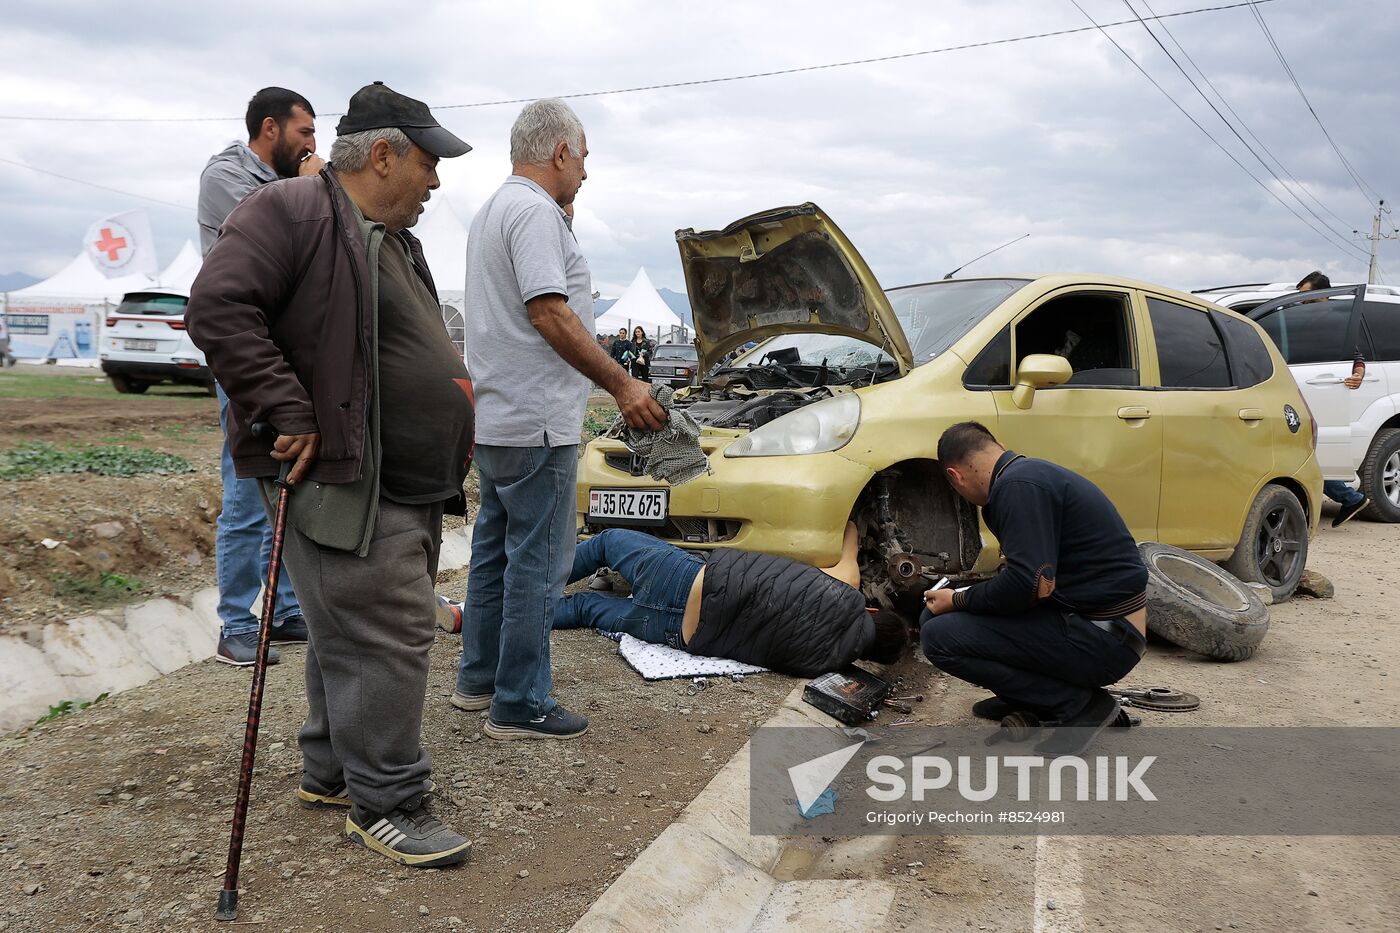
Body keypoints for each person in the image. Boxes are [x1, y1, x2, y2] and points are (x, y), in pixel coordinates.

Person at [188, 81, 475, 868]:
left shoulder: (388, 234)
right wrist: (289, 407)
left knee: (344, 631)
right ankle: (387, 799)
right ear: (382, 154)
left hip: (400, 479)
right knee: (387, 634)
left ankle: (331, 770)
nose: (436, 180)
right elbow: (216, 306)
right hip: (347, 474)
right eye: (427, 162)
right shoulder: (292, 210)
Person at [454, 98, 666, 740]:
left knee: (494, 553)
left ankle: (479, 677)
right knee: (539, 563)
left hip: (499, 417)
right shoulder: (534, 212)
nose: (585, 174)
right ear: (560, 152)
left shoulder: (497, 208)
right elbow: (549, 312)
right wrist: (623, 382)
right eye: (584, 158)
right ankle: (520, 701)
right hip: (537, 421)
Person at [920, 422, 1147, 755]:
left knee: (938, 637)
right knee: (933, 619)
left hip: (1104, 638)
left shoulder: (1018, 488)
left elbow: (1028, 586)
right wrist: (961, 600)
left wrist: (958, 599)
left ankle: (1081, 706)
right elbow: (1035, 581)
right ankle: (1033, 699)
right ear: (998, 445)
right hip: (1098, 625)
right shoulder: (1025, 477)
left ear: (956, 477)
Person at [198, 87, 324, 666]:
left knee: (290, 482)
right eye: (304, 134)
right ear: (270, 129)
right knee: (249, 487)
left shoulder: (287, 177)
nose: (311, 147)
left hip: (285, 354)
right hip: (246, 358)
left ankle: (285, 610)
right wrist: (319, 183)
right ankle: (234, 622)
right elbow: (289, 225)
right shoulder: (226, 176)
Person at [548, 523, 909, 677]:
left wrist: (850, 529)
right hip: (676, 634)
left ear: (872, 609)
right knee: (583, 608)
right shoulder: (823, 665)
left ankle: (526, 584)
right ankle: (519, 612)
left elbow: (850, 545)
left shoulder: (847, 594)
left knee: (607, 543)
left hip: (685, 581)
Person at [1296, 271, 1370, 526]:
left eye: (1310, 300)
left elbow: (1357, 357)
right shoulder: (1297, 320)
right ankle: (1348, 499)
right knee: (1303, 453)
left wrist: (1358, 375)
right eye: (1302, 300)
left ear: (1325, 296)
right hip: (1302, 390)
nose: (1304, 305)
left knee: (1303, 454)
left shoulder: (1337, 323)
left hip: (1319, 391)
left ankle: (1346, 498)